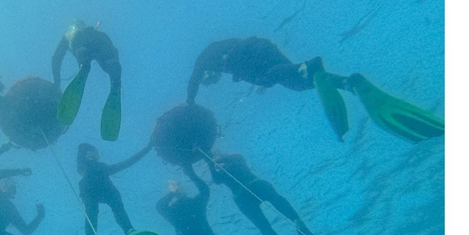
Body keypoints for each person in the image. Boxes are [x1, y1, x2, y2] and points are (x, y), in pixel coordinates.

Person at [186, 37, 444, 143]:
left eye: (212, 78)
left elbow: (192, 83)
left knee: (268, 79)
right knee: (299, 81)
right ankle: (348, 83)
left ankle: (309, 66)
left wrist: (190, 106)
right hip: (260, 47)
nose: (214, 78)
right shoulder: (219, 57)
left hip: (252, 53)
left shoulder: (202, 62)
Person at [206, 151, 336, 235]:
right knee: (265, 228)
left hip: (256, 186)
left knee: (276, 201)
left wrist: (216, 160)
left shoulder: (236, 160)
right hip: (243, 198)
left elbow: (238, 156)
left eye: (219, 156)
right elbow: (216, 180)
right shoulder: (222, 173)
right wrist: (210, 163)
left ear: (223, 155)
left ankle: (300, 225)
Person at [64, 142, 173, 235]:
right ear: (90, 155)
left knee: (91, 213)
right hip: (105, 190)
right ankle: (128, 229)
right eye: (94, 153)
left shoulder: (85, 168)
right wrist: (148, 148)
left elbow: (81, 162)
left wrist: (148, 148)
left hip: (89, 191)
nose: (97, 155)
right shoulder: (99, 167)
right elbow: (127, 162)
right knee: (116, 207)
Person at [52, 21, 123, 141]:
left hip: (81, 41)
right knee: (112, 67)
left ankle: (85, 65)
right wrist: (115, 60)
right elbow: (113, 49)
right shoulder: (95, 32)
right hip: (103, 40)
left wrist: (57, 82)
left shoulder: (68, 35)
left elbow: (56, 59)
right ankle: (115, 79)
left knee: (84, 61)